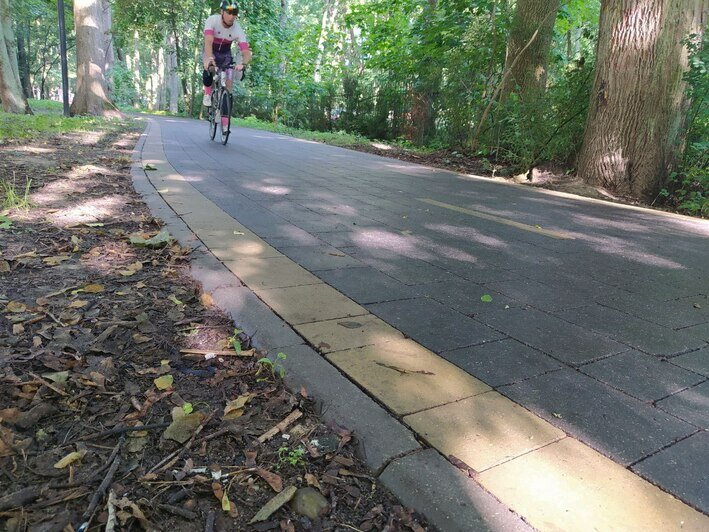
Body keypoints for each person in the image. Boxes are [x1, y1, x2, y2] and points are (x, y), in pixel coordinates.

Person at [202, 1, 252, 110]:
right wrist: (210, 58)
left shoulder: (238, 29)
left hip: (225, 54)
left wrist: (243, 64)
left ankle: (225, 123)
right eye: (229, 12)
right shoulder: (212, 20)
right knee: (209, 68)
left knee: (229, 83)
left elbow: (246, 51)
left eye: (234, 13)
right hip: (211, 49)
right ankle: (207, 93)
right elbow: (208, 42)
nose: (232, 16)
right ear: (222, 12)